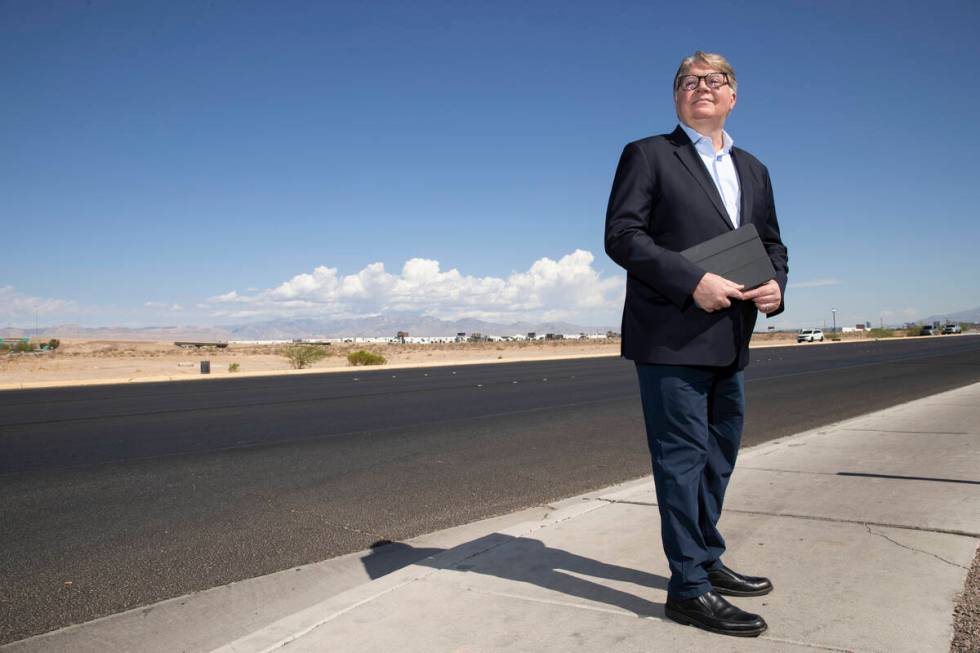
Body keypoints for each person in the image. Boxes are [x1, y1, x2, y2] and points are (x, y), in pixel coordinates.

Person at [604, 51, 789, 638]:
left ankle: (705, 558)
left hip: (732, 339)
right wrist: (694, 281)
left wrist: (776, 287)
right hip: (671, 337)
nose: (701, 88)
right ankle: (687, 588)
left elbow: (773, 244)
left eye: (714, 81)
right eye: (688, 81)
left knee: (718, 457)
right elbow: (622, 235)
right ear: (676, 97)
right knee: (682, 462)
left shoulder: (753, 169)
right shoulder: (649, 154)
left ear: (734, 95)